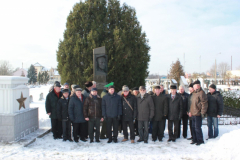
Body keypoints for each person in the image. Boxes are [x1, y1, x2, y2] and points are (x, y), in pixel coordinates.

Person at [189, 80, 208, 146]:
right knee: (193, 127)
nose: (193, 87)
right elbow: (192, 104)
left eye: (194, 86)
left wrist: (202, 112)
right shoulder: (194, 93)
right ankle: (195, 139)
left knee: (197, 128)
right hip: (193, 113)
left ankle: (200, 140)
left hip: (198, 113)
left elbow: (204, 103)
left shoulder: (201, 93)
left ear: (198, 85)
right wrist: (190, 112)